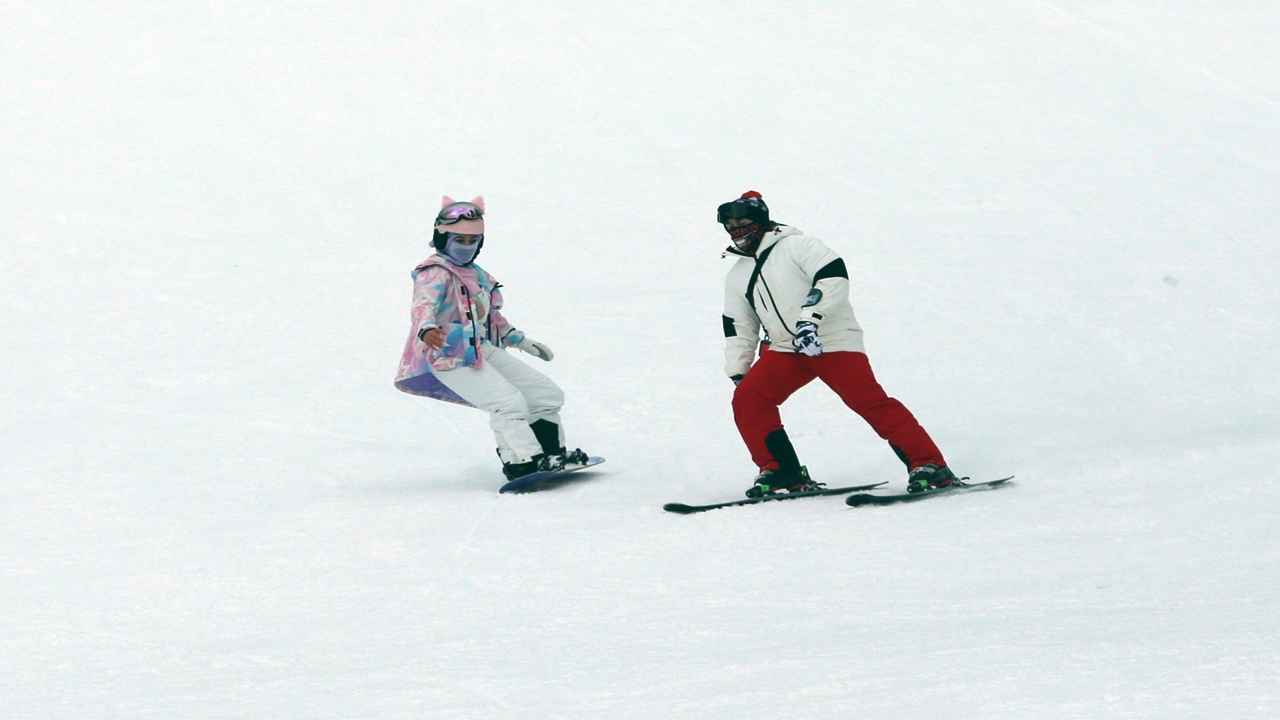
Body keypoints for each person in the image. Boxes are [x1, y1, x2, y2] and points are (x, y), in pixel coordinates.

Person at [717, 191, 958, 497]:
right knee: (749, 399)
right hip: (786, 348)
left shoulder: (799, 246)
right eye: (730, 225)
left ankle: (929, 464)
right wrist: (739, 368)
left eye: (742, 223)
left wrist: (810, 320)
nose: (736, 230)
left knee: (867, 400)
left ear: (760, 220)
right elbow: (738, 323)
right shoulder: (738, 274)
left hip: (829, 339)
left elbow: (833, 277)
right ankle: (781, 472)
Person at [394, 196, 589, 481]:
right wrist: (426, 328)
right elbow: (423, 304)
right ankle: (523, 460)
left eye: (473, 240)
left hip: (480, 348)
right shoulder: (434, 272)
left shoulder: (477, 275)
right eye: (459, 240)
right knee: (507, 403)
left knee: (545, 394)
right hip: (449, 354)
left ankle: (552, 453)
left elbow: (489, 316)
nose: (466, 246)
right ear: (443, 238)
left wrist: (518, 339)